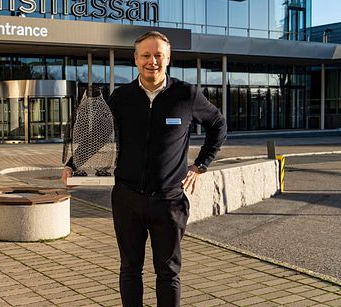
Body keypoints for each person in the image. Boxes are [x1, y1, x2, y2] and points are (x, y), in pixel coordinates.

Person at [63, 31, 226, 307]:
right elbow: (99, 135)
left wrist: (201, 165)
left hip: (169, 200)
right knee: (130, 270)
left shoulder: (186, 95)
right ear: (136, 60)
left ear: (168, 58)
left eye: (158, 55)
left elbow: (218, 125)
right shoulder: (121, 97)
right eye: (146, 55)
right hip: (127, 198)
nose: (153, 61)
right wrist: (73, 164)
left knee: (168, 273)